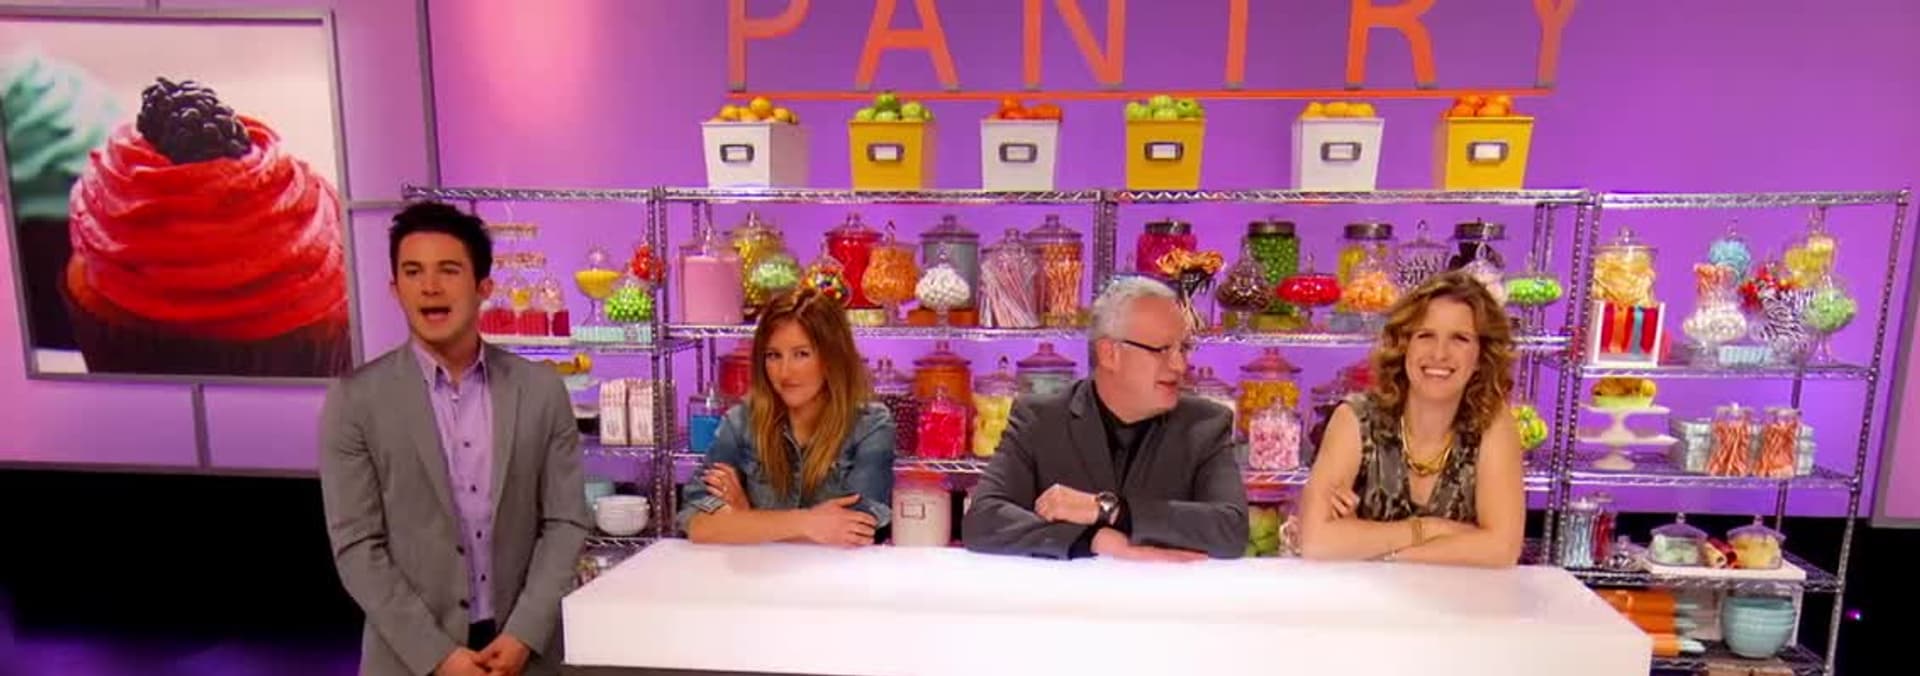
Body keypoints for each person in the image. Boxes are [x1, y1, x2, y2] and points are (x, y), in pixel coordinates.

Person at [319, 202, 589, 676]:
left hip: (524, 655)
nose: (430, 287)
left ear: (484, 287)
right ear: (394, 288)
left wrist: (524, 634)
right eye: (413, 272)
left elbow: (565, 521)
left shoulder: (540, 390)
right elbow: (357, 546)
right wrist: (438, 656)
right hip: (408, 660)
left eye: (448, 270)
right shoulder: (355, 401)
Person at [963, 276, 1249, 561]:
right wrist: (1092, 539)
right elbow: (984, 520)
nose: (1179, 365)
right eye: (1162, 350)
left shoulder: (1205, 425)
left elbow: (1231, 530)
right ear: (1109, 353)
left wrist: (1110, 510)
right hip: (1065, 590)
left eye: (1183, 348)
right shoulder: (1040, 420)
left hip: (1166, 589)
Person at [1297, 270, 1526, 567]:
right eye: (1425, 335)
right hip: (1363, 595)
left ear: (1481, 356)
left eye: (1459, 338)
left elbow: (1501, 549)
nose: (1439, 354)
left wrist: (1376, 550)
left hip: (1459, 597)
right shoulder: (1355, 419)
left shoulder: (1492, 424)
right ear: (1403, 345)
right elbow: (1316, 541)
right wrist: (1429, 529)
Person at [678, 287, 896, 546]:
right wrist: (808, 523)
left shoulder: (870, 425)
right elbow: (698, 523)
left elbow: (857, 530)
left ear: (832, 357)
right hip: (758, 571)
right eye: (773, 355)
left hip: (836, 571)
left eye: (801, 354)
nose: (784, 372)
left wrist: (745, 518)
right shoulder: (741, 422)